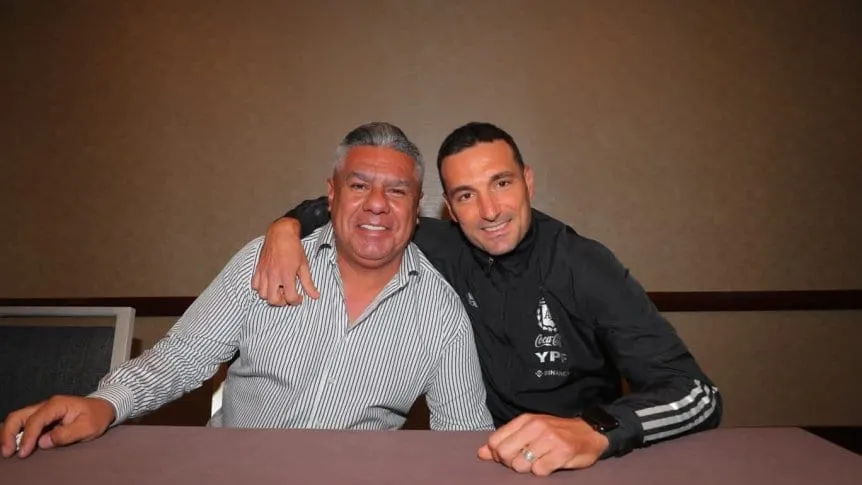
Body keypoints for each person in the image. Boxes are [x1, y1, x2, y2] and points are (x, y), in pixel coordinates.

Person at [252, 122, 723, 477]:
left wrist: (595, 429)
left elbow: (697, 394)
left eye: (502, 183)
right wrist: (286, 227)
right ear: (449, 209)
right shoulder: (436, 245)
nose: (490, 211)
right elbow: (352, 206)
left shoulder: (584, 265)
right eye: (466, 195)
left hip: (582, 464)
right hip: (481, 462)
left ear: (528, 182)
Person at [0, 122, 494, 460]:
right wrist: (104, 403)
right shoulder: (265, 261)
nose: (377, 204)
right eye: (359, 185)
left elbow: (463, 435)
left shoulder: (442, 313)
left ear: (417, 206)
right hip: (227, 472)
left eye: (397, 191)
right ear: (331, 194)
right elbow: (182, 358)